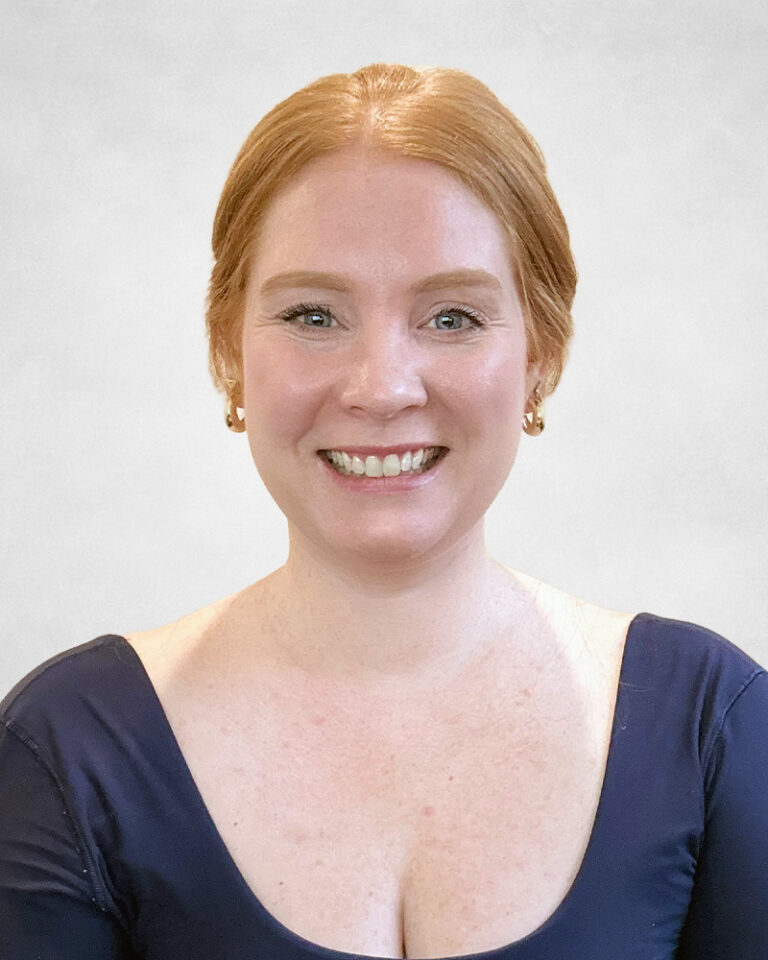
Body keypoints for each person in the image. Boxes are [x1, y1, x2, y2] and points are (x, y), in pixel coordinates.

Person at [0, 62, 766, 960]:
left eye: (450, 317)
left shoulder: (715, 728)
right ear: (228, 351)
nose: (382, 387)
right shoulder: (69, 751)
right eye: (315, 314)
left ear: (542, 355)